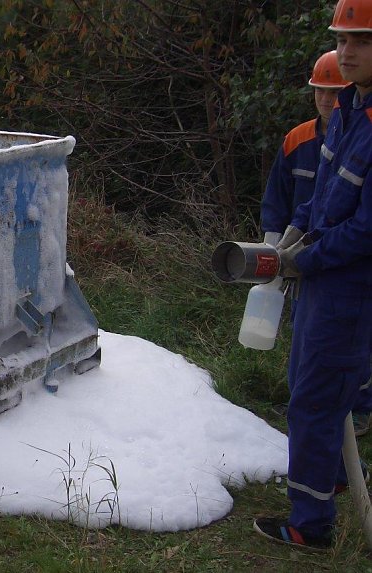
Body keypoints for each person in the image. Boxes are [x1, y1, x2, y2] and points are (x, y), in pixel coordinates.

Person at [253, 0, 372, 550]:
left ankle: (311, 524)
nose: (346, 52)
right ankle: (325, 491)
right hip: (321, 283)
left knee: (319, 401)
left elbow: (366, 232)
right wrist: (290, 243)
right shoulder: (347, 112)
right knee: (309, 395)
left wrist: (307, 257)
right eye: (342, 40)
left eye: (361, 41)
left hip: (350, 290)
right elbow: (318, 199)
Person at [261, 51, 372, 437]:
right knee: (308, 347)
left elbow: (361, 226)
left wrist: (306, 255)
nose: (325, 100)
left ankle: (357, 410)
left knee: (350, 350)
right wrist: (274, 253)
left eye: (332, 92)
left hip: (343, 270)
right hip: (307, 260)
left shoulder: (358, 134)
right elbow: (278, 199)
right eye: (318, 92)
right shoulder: (299, 139)